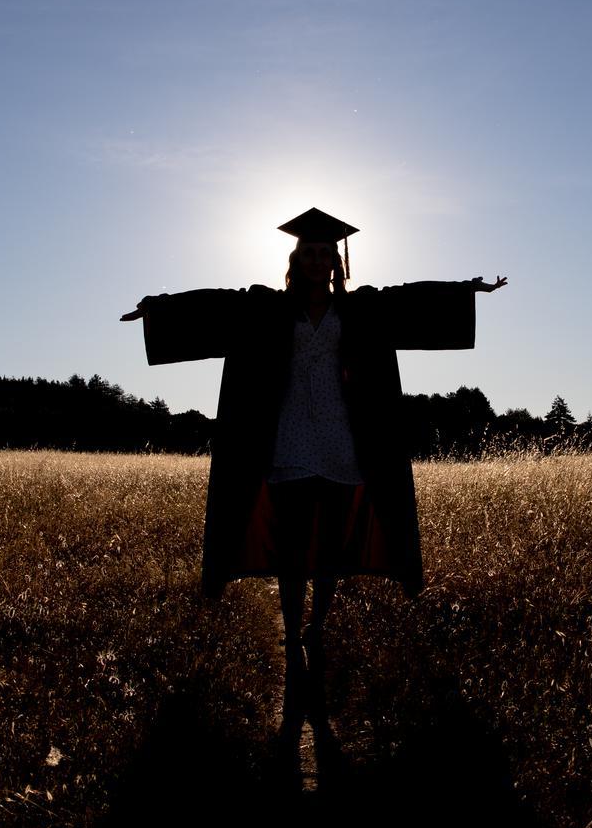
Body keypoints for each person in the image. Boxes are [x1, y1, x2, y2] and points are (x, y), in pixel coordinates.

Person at [120, 208, 506, 647]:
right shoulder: (267, 308)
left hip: (342, 442)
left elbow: (408, 299)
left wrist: (467, 290)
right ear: (297, 259)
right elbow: (216, 304)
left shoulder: (360, 309)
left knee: (329, 548)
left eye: (325, 253)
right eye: (310, 252)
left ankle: (316, 627)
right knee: (293, 546)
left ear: (336, 262)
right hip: (289, 441)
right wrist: (157, 309)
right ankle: (290, 626)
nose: (318, 259)